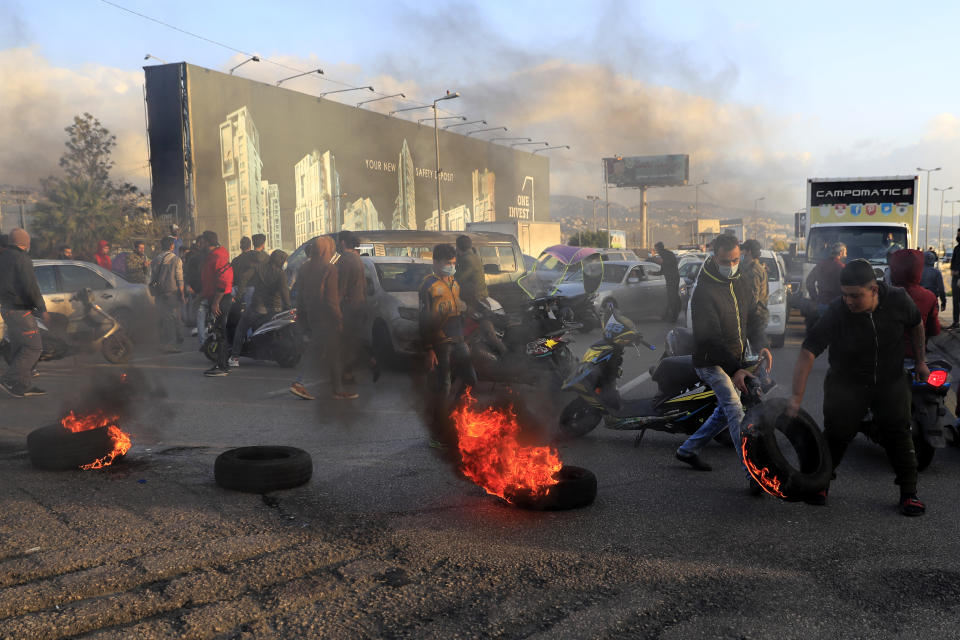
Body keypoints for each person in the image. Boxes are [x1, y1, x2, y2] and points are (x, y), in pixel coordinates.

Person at [788, 259, 928, 516]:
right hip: (846, 382)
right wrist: (796, 396)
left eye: (855, 296)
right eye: (845, 295)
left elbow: (916, 323)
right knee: (837, 435)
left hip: (890, 381)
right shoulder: (837, 311)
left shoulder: (898, 300)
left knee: (899, 433)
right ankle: (820, 485)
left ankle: (909, 494)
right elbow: (809, 350)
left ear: (874, 290)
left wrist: (920, 361)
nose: (849, 301)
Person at [675, 234, 763, 482]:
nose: (732, 265)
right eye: (726, 261)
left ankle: (687, 450)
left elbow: (752, 317)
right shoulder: (703, 291)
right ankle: (752, 473)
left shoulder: (740, 280)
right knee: (735, 410)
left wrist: (762, 345)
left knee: (724, 411)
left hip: (733, 360)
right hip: (710, 362)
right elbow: (710, 340)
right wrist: (736, 369)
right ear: (715, 258)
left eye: (736, 259)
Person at [420, 243, 478, 449]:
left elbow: (458, 312)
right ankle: (438, 432)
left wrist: (465, 335)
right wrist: (429, 349)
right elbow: (424, 321)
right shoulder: (428, 286)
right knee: (443, 388)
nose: (451, 267)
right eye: (447, 263)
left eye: (453, 263)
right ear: (435, 262)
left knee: (471, 379)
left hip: (459, 340)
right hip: (440, 343)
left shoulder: (454, 282)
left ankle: (454, 416)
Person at [289, 236, 354, 400]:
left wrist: (302, 315)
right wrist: (339, 319)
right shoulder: (329, 269)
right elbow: (332, 300)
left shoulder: (304, 268)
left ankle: (337, 388)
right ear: (327, 250)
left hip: (311, 314)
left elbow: (301, 295)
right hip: (326, 317)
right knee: (319, 351)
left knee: (330, 352)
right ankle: (300, 382)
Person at [0, 229, 48, 398]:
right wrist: (42, 310)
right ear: (25, 242)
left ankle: (22, 385)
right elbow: (31, 287)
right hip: (20, 310)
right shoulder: (22, 258)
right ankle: (8, 378)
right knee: (34, 347)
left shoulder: (3, 257)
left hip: (6, 309)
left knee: (19, 347)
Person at [232, 249, 290, 362]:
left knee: (241, 328)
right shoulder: (280, 274)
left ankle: (234, 356)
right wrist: (287, 307)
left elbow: (244, 277)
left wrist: (239, 295)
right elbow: (284, 292)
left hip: (257, 307)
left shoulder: (258, 268)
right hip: (275, 309)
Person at [337, 230, 379, 387]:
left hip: (349, 306)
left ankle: (350, 372)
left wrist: (335, 306)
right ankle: (368, 362)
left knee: (346, 341)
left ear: (342, 243)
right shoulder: (356, 258)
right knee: (355, 339)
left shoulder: (345, 260)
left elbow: (341, 287)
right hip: (359, 304)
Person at [889, 249, 939, 360]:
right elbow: (934, 330)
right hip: (916, 357)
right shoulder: (929, 296)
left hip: (889, 357)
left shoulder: (882, 295)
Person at [227, 233, 269, 367]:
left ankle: (237, 354)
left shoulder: (244, 258)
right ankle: (259, 352)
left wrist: (238, 295)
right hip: (264, 295)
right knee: (259, 322)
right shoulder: (267, 258)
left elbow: (242, 278)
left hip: (247, 291)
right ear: (263, 244)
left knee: (244, 322)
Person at [199, 231, 233, 377]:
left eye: (201, 241)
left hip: (220, 299)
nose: (199, 244)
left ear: (207, 242)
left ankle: (222, 366)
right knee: (219, 332)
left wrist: (216, 303)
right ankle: (222, 364)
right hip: (217, 297)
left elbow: (223, 281)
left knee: (220, 333)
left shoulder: (218, 256)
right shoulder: (214, 256)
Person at [150, 236, 185, 353]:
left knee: (162, 318)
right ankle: (170, 343)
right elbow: (179, 279)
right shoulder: (176, 260)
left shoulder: (156, 260)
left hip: (159, 293)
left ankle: (161, 342)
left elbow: (152, 277)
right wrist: (182, 294)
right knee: (173, 317)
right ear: (172, 246)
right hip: (172, 293)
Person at [739, 239, 769, 351]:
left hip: (755, 316)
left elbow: (753, 298)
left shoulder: (754, 271)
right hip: (756, 315)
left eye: (743, 250)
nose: (742, 253)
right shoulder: (753, 267)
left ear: (749, 252)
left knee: (757, 352)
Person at [806, 242, 846, 318]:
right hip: (837, 305)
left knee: (824, 328)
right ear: (841, 253)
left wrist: (815, 297)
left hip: (822, 303)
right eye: (845, 252)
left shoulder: (820, 265)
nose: (846, 254)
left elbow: (809, 281)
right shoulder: (842, 267)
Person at [454, 235, 488, 310]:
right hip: (481, 295)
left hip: (474, 299)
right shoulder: (475, 256)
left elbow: (458, 279)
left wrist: (455, 264)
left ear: (458, 248)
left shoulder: (466, 260)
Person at [184, 236, 206, 340]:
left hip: (206, 288)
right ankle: (200, 334)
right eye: (201, 242)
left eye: (204, 242)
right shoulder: (193, 256)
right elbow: (189, 272)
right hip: (196, 288)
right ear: (197, 243)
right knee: (198, 310)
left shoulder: (208, 255)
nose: (202, 244)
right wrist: (189, 285)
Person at [654, 241, 681, 322]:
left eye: (656, 249)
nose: (656, 251)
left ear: (660, 248)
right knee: (670, 298)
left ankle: (674, 317)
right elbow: (662, 271)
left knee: (673, 298)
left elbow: (672, 263)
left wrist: (663, 262)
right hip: (669, 280)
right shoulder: (663, 255)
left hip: (673, 279)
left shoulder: (668, 254)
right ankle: (668, 316)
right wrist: (652, 273)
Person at [951, 229, 960, 330]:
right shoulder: (956, 248)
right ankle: (955, 322)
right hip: (955, 278)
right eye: (957, 234)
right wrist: (952, 270)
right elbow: (953, 261)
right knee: (955, 301)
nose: (958, 236)